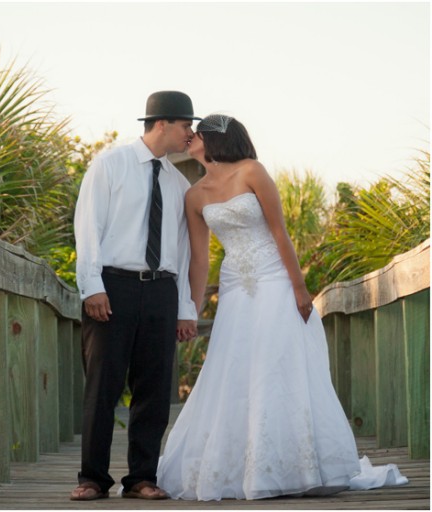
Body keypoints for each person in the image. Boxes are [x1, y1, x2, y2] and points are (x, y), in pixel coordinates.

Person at [156, 114, 407, 500]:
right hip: (236, 285)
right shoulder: (195, 195)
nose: (190, 136)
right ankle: (247, 468)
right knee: (237, 365)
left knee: (277, 363)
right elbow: (200, 261)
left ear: (215, 138)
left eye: (198, 131)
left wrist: (300, 287)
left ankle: (296, 466)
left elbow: (279, 232)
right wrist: (188, 306)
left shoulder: (252, 171)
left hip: (274, 278)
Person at [70, 91, 200, 501]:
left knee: (156, 390)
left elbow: (181, 251)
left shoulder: (179, 183)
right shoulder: (110, 165)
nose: (190, 134)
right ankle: (92, 478)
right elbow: (87, 226)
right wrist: (92, 285)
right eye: (185, 125)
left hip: (162, 290)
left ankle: (142, 477)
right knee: (102, 388)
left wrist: (184, 308)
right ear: (161, 123)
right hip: (114, 286)